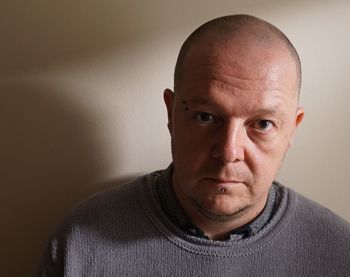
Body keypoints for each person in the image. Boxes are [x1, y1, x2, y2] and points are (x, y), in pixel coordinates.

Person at [39, 14, 350, 276]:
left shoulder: (339, 253)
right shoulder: (80, 245)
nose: (229, 152)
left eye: (262, 124)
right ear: (171, 114)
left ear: (292, 130)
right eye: (206, 116)